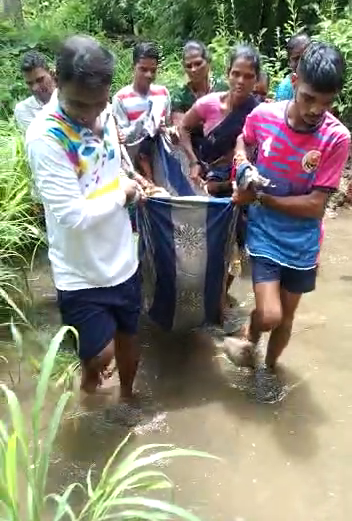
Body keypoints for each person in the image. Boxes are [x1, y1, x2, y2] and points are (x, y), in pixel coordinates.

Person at [26, 35, 144, 399]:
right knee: (100, 353)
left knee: (129, 339)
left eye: (98, 103)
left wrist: (129, 177)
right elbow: (72, 215)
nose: (89, 114)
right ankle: (89, 385)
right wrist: (121, 193)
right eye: (79, 104)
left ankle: (127, 397)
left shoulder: (105, 112)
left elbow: (111, 163)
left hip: (122, 258)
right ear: (57, 82)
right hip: (79, 271)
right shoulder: (45, 137)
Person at [233, 42, 351, 401]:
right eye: (309, 97)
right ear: (295, 81)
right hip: (265, 232)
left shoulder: (337, 138)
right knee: (270, 314)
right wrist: (243, 168)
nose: (317, 110)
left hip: (302, 242)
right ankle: (249, 335)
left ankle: (268, 373)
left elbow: (316, 206)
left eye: (326, 103)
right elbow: (243, 142)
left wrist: (263, 198)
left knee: (286, 319)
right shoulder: (264, 116)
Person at [179, 44, 260, 196]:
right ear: (227, 74)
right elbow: (183, 127)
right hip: (208, 186)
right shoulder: (208, 104)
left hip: (244, 189)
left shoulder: (259, 113)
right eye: (236, 74)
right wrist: (193, 161)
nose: (241, 81)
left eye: (248, 76)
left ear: (256, 79)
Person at [112, 42, 171, 183]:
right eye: (143, 69)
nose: (149, 75)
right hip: (134, 167)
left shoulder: (163, 93)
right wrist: (144, 121)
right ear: (133, 68)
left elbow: (168, 126)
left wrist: (165, 129)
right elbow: (121, 139)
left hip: (161, 163)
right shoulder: (121, 98)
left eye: (153, 70)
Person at [14, 51, 56, 132]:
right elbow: (44, 139)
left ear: (51, 74)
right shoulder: (24, 109)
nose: (35, 88)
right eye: (30, 83)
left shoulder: (70, 96)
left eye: (40, 80)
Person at [275, 32, 310, 102]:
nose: (301, 63)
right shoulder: (285, 88)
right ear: (289, 62)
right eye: (296, 58)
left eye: (305, 57)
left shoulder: (320, 82)